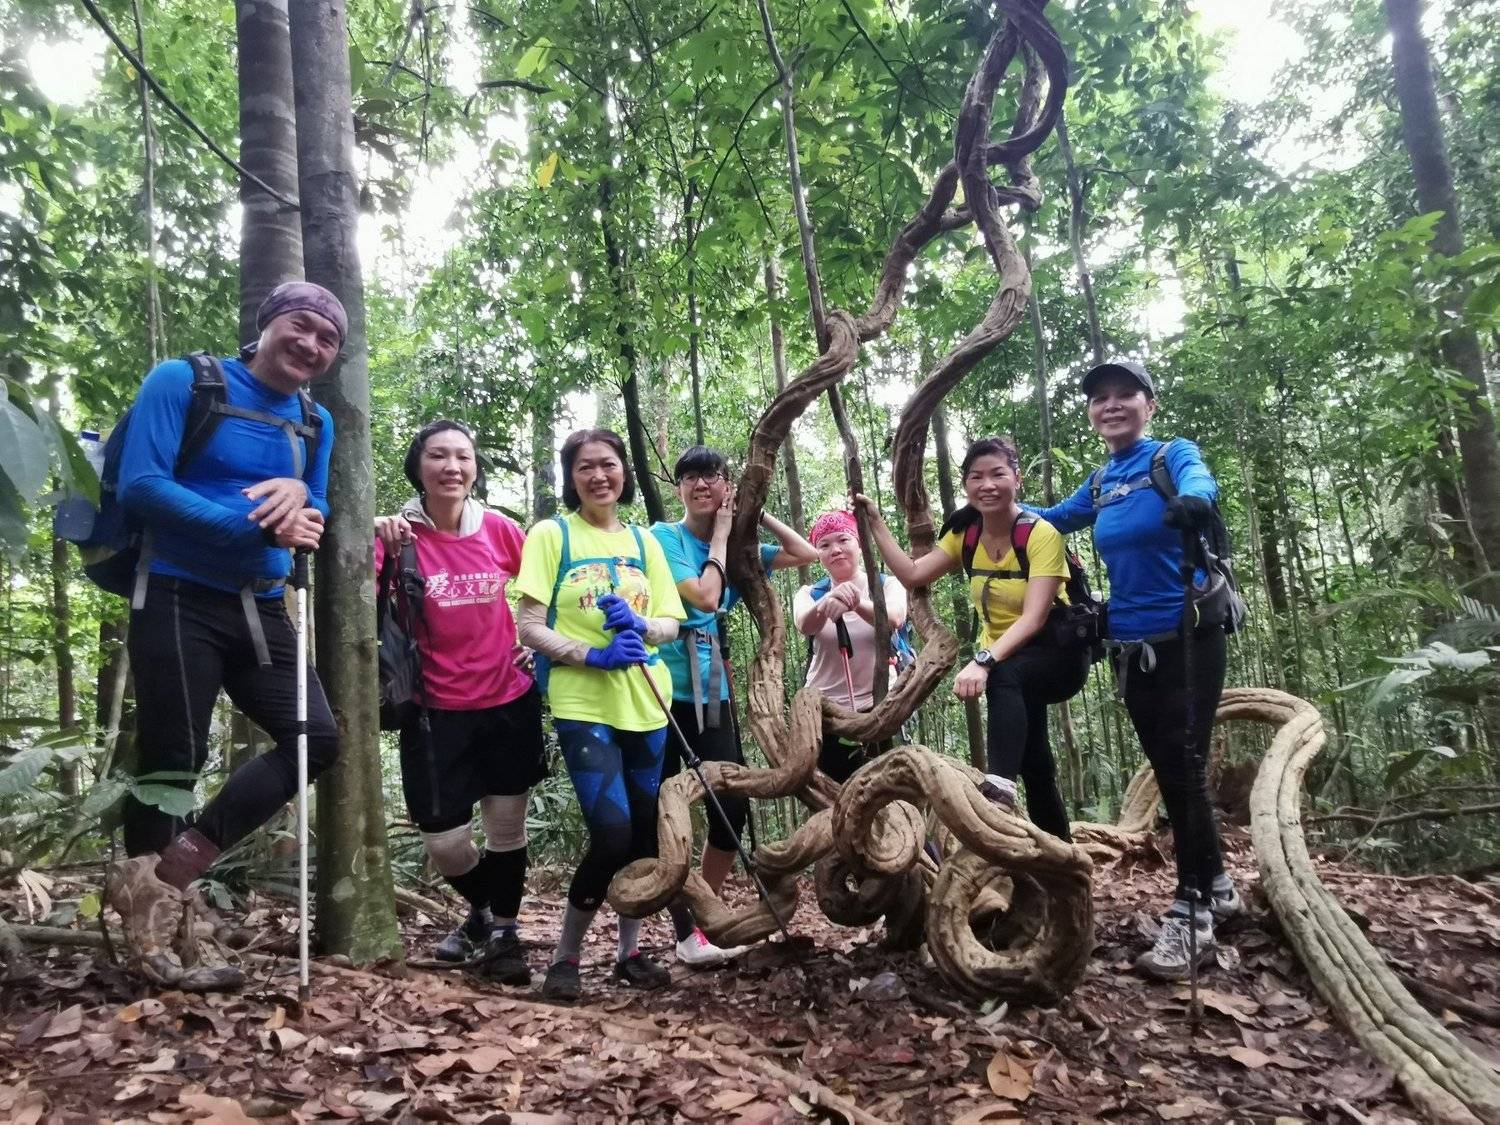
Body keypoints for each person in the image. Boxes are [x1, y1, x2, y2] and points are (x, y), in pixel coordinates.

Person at [104, 281, 344, 991]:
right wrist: (253, 526)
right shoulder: (184, 381)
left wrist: (301, 498)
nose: (311, 344)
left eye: (328, 339)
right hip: (176, 592)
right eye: (300, 325)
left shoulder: (315, 421)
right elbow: (142, 485)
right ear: (267, 323)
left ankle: (175, 871)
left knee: (316, 737)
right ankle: (155, 932)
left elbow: (317, 505)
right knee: (173, 758)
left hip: (261, 605)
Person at [1030, 359, 1243, 981]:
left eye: (1126, 394)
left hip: (1189, 636)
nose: (1112, 405)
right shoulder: (1102, 481)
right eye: (1100, 398)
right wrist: (994, 506)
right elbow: (1052, 518)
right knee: (1175, 771)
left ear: (1149, 404)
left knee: (1184, 771)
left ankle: (1191, 913)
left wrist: (1195, 502)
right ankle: (1220, 888)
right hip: (1129, 645)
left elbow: (1201, 481)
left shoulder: (1171, 457)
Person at [514, 428, 686, 1002]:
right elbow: (529, 626)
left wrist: (641, 626)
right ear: (571, 477)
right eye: (585, 466)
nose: (598, 475)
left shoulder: (644, 541)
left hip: (648, 700)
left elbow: (671, 623)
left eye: (608, 464)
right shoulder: (552, 534)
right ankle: (565, 957)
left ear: (623, 472)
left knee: (642, 837)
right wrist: (593, 654)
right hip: (583, 701)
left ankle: (628, 953)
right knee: (610, 834)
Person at [373, 419, 544, 984]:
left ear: (475, 468)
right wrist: (371, 535)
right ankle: (486, 913)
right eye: (438, 455)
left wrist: (538, 644)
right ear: (417, 466)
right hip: (432, 709)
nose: (452, 466)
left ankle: (503, 934)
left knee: (506, 830)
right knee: (444, 841)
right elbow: (354, 598)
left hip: (507, 699)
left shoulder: (499, 529)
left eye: (463, 456)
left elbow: (551, 586)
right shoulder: (397, 537)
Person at [854, 436, 1088, 839]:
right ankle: (1060, 851)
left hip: (1058, 655)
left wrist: (983, 661)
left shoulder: (1041, 534)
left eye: (998, 474)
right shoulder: (968, 535)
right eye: (976, 477)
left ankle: (998, 788)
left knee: (1004, 676)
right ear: (966, 485)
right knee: (1035, 762)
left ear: (1017, 479)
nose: (987, 485)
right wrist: (875, 522)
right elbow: (913, 574)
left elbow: (1034, 618)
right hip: (1010, 660)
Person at [650, 446, 817, 961]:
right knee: (659, 807)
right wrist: (722, 535)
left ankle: (701, 918)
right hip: (660, 691)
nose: (702, 484)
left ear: (727, 486)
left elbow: (804, 554)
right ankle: (679, 932)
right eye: (691, 477)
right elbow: (704, 597)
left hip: (713, 692)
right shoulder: (665, 537)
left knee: (731, 809)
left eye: (713, 476)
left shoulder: (742, 546)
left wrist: (752, 512)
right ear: (679, 488)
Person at [793, 511, 908, 782]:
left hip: (881, 706)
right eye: (824, 544)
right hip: (826, 713)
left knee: (886, 789)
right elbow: (804, 624)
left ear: (859, 544)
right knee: (835, 791)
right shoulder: (809, 593)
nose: (835, 549)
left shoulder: (887, 585)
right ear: (818, 554)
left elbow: (894, 618)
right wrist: (828, 601)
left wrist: (855, 603)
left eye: (843, 540)